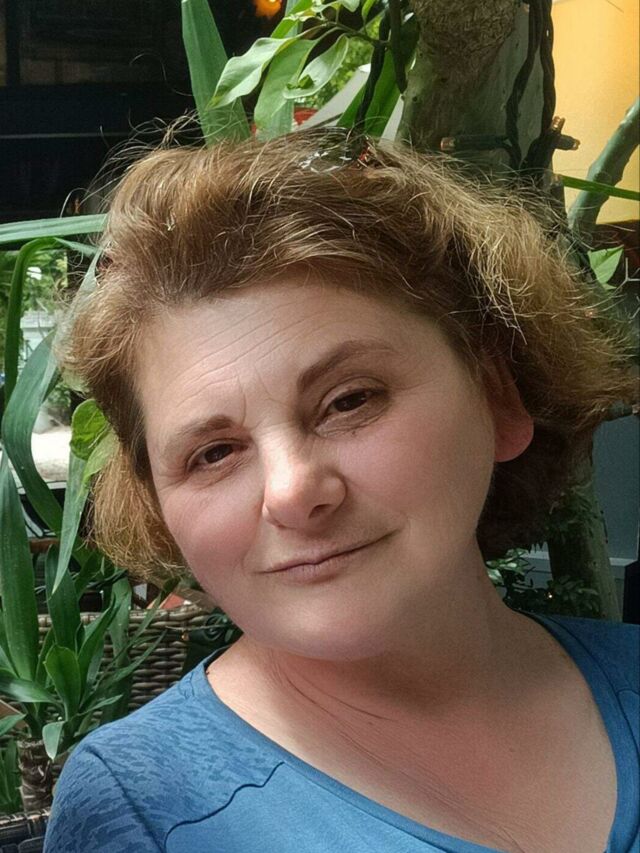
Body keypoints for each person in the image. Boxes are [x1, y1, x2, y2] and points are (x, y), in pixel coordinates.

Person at [44, 126, 638, 853]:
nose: (294, 491)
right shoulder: (145, 812)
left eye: (349, 401)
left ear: (498, 396)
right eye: (214, 453)